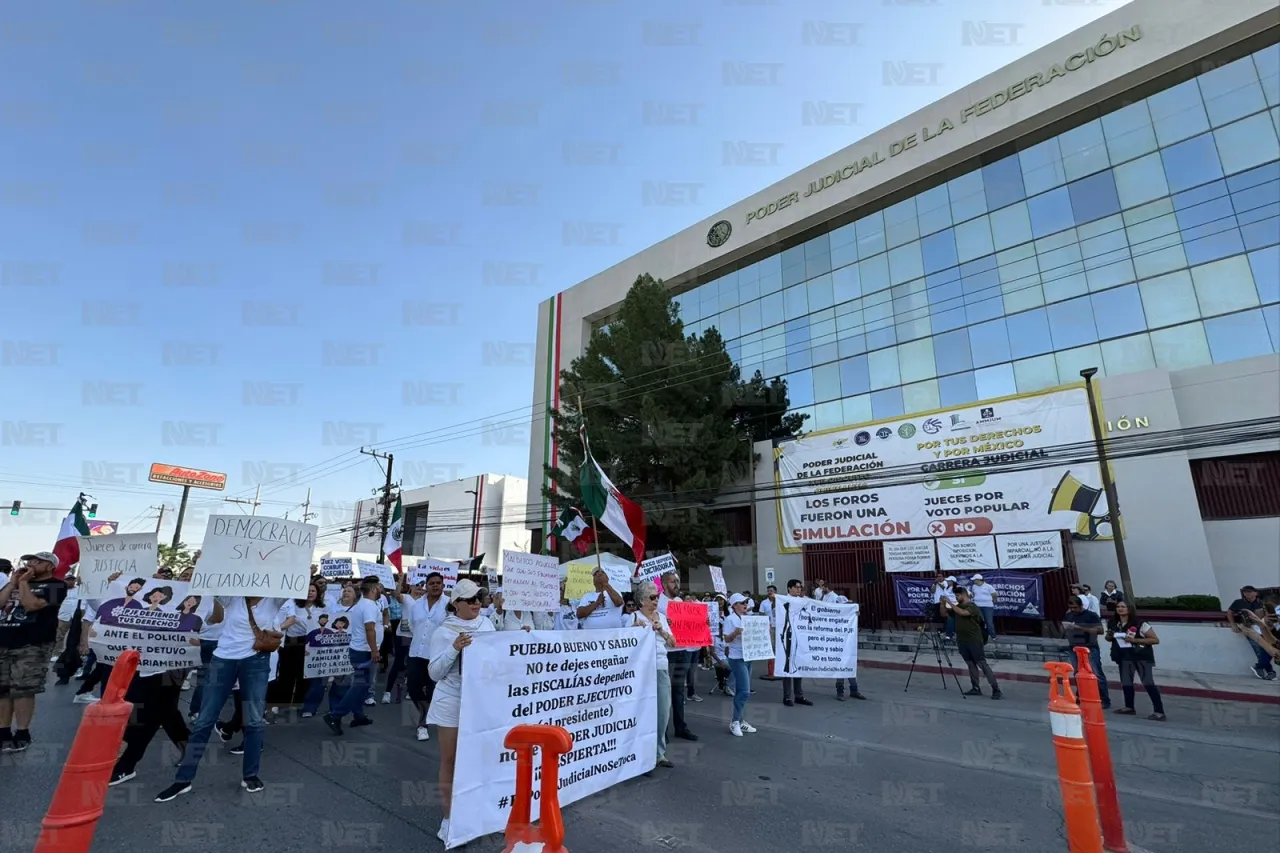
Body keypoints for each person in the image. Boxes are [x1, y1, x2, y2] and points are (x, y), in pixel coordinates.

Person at [154, 595, 283, 801]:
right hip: (223, 659)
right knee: (205, 720)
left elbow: (298, 579)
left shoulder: (274, 598)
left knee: (254, 721)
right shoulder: (232, 595)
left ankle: (250, 775)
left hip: (256, 660)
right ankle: (183, 780)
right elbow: (215, 618)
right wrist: (215, 593)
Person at [427, 579, 494, 842]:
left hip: (481, 700)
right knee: (451, 760)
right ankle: (449, 817)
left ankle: (479, 810)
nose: (477, 603)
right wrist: (454, 648)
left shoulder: (487, 624)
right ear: (456, 604)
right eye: (471, 599)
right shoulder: (443, 631)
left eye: (479, 598)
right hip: (452, 699)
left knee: (480, 758)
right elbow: (434, 672)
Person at [0, 552, 69, 752]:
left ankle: (22, 732)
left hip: (33, 643)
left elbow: (32, 605)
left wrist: (23, 583)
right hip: (5, 641)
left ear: (49, 566)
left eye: (37, 561)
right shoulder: (16, 582)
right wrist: (13, 583)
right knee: (3, 689)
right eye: (29, 561)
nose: (30, 564)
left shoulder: (56, 586)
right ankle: (3, 731)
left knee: (23, 689)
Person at [324, 576, 384, 734]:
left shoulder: (361, 604)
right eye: (379, 587)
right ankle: (334, 715)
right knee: (359, 687)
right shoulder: (369, 606)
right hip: (364, 652)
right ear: (373, 589)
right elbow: (369, 629)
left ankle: (358, 715)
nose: (381, 590)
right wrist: (374, 651)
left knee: (362, 686)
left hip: (359, 650)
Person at [632, 580, 676, 767]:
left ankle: (659, 753)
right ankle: (641, 756)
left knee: (662, 712)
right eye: (652, 597)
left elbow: (673, 642)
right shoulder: (632, 617)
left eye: (657, 596)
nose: (656, 600)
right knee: (642, 713)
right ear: (642, 600)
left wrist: (662, 630)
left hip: (660, 668)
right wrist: (634, 630)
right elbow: (621, 642)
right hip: (641, 671)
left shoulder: (662, 618)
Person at [403, 571, 448, 742]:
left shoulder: (449, 605)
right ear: (426, 586)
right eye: (432, 583)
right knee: (413, 688)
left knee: (432, 689)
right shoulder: (416, 605)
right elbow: (414, 627)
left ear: (443, 586)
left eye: (438, 583)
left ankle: (423, 724)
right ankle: (425, 713)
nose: (435, 585)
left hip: (436, 654)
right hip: (416, 652)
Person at [1106, 601, 1165, 720]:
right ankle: (1129, 706)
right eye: (1118, 607)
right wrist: (1110, 636)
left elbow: (1154, 640)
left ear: (1129, 609)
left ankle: (1159, 711)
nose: (1120, 609)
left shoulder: (1140, 623)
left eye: (1123, 607)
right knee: (1126, 682)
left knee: (1148, 682)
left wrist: (1135, 641)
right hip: (1123, 656)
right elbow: (1108, 638)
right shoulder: (1113, 623)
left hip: (1141, 656)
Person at [657, 571, 698, 741]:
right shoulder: (658, 602)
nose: (677, 585)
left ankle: (680, 727)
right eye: (673, 581)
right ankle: (663, 731)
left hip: (682, 651)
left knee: (679, 692)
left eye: (678, 581)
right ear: (665, 584)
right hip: (667, 653)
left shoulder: (680, 601)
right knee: (665, 694)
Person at [945, 587, 1002, 699]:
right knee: (970, 664)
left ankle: (995, 688)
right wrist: (943, 603)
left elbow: (962, 613)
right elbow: (945, 613)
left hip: (974, 640)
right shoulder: (957, 607)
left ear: (964, 595)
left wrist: (950, 602)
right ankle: (975, 687)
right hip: (962, 640)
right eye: (955, 595)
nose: (956, 597)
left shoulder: (972, 606)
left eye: (958, 595)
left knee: (982, 664)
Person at [272, 583, 322, 709]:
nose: (310, 593)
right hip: (292, 643)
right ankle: (283, 703)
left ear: (317, 593)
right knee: (286, 674)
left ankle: (298, 702)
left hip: (310, 645)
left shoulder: (322, 608)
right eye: (308, 590)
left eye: (313, 590)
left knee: (303, 675)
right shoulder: (294, 605)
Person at [721, 593, 759, 737]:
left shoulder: (747, 618)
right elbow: (726, 639)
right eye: (742, 602)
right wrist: (736, 633)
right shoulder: (730, 619)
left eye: (746, 602)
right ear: (734, 605)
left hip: (748, 656)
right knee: (744, 690)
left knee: (743, 690)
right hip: (737, 657)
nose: (745, 604)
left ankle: (741, 720)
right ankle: (735, 721)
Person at [1063, 594, 1110, 709]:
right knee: (1078, 673)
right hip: (1074, 646)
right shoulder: (1069, 615)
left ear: (1080, 606)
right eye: (1071, 608)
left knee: (1096, 673)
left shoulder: (1091, 615)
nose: (1073, 610)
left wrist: (1080, 628)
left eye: (1075, 608)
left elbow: (1100, 630)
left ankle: (1104, 699)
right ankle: (1081, 695)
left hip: (1090, 647)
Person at [1226, 585, 1277, 680]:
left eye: (1249, 592)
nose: (1247, 594)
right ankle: (1269, 671)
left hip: (1261, 628)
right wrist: (1233, 624)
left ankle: (1261, 668)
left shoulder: (1261, 603)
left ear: (1255, 593)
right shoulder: (1238, 602)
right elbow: (1229, 612)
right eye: (1245, 592)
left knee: (1267, 648)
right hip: (1248, 627)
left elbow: (1267, 616)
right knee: (1260, 648)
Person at [778, 579, 813, 707]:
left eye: (800, 587)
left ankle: (799, 695)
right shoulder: (783, 601)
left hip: (800, 635)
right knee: (788, 665)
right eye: (797, 587)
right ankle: (787, 696)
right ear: (789, 588)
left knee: (798, 664)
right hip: (788, 634)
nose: (799, 590)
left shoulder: (802, 600)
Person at [968, 574, 999, 639]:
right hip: (977, 606)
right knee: (979, 621)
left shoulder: (988, 586)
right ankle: (981, 635)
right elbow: (973, 594)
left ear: (978, 580)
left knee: (989, 622)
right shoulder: (974, 586)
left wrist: (993, 601)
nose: (973, 581)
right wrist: (970, 595)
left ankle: (993, 636)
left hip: (988, 606)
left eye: (974, 580)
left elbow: (994, 595)